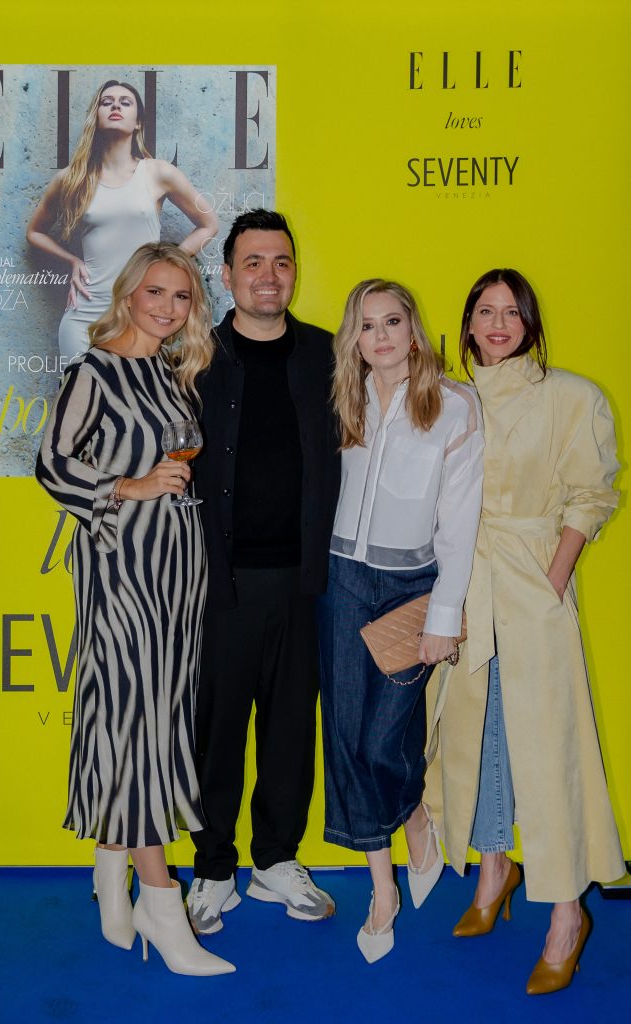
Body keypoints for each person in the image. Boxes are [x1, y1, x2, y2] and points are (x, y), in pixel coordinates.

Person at [36, 242, 233, 976]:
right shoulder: (94, 371)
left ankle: (109, 873)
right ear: (128, 294)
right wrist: (126, 486)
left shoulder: (169, 373)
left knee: (142, 714)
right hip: (121, 564)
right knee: (141, 719)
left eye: (181, 297)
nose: (168, 308)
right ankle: (160, 903)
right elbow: (50, 463)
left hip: (176, 568)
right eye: (156, 292)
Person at [428, 268, 625, 994]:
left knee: (548, 749)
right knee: (475, 734)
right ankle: (493, 869)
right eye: (486, 311)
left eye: (512, 312)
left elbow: (591, 494)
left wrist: (553, 578)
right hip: (462, 585)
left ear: (530, 323)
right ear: (468, 324)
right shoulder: (446, 399)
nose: (498, 324)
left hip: (532, 582)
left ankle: (567, 914)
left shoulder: (571, 396)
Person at [318, 279, 483, 963]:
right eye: (366, 324)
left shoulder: (453, 405)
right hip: (342, 580)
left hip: (411, 588)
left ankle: (413, 809)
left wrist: (445, 612)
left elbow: (459, 524)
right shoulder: (345, 398)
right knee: (345, 737)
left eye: (392, 321)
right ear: (353, 338)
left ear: (413, 330)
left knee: (383, 740)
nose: (380, 335)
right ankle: (381, 887)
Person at [186, 209, 341, 935]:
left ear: (294, 273)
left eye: (280, 261)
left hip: (306, 582)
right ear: (227, 276)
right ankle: (213, 869)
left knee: (289, 733)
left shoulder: (329, 355)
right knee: (216, 732)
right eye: (253, 262)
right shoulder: (193, 356)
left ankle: (275, 860)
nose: (268, 276)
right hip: (221, 582)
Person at [27, 80, 217, 361]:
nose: (115, 106)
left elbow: (209, 224)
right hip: (85, 315)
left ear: (138, 122)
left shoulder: (158, 173)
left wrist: (166, 263)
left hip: (139, 314)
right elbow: (34, 232)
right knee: (82, 390)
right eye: (107, 102)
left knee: (132, 390)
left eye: (125, 102)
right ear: (96, 116)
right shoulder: (72, 178)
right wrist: (72, 261)